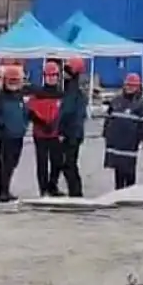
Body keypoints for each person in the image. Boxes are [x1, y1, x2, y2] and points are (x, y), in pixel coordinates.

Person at [0, 65, 29, 203]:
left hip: (18, 134)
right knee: (6, 163)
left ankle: (7, 188)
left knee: (13, 162)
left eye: (16, 81)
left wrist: (24, 124)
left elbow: (24, 113)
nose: (13, 84)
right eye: (11, 81)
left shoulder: (19, 96)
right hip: (5, 135)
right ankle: (3, 191)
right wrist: (2, 125)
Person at [103, 72, 143, 190]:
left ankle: (130, 192)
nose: (130, 88)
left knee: (129, 170)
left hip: (130, 143)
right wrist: (106, 133)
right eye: (128, 85)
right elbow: (109, 118)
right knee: (118, 169)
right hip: (117, 142)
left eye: (133, 86)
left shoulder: (141, 106)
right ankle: (118, 191)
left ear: (138, 87)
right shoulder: (116, 101)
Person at [26, 61, 64, 197]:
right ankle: (43, 189)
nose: (52, 78)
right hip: (40, 133)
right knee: (42, 163)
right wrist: (41, 123)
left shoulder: (61, 94)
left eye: (54, 75)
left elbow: (63, 113)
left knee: (57, 162)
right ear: (44, 76)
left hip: (55, 133)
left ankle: (52, 185)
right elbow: (29, 112)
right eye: (49, 75)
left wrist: (56, 126)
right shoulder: (37, 93)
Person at [55, 57, 87, 197]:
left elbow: (66, 111)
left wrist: (60, 130)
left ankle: (76, 193)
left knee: (68, 164)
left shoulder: (71, 89)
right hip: (76, 131)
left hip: (71, 133)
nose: (64, 73)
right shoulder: (76, 88)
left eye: (67, 70)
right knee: (70, 163)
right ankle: (75, 191)